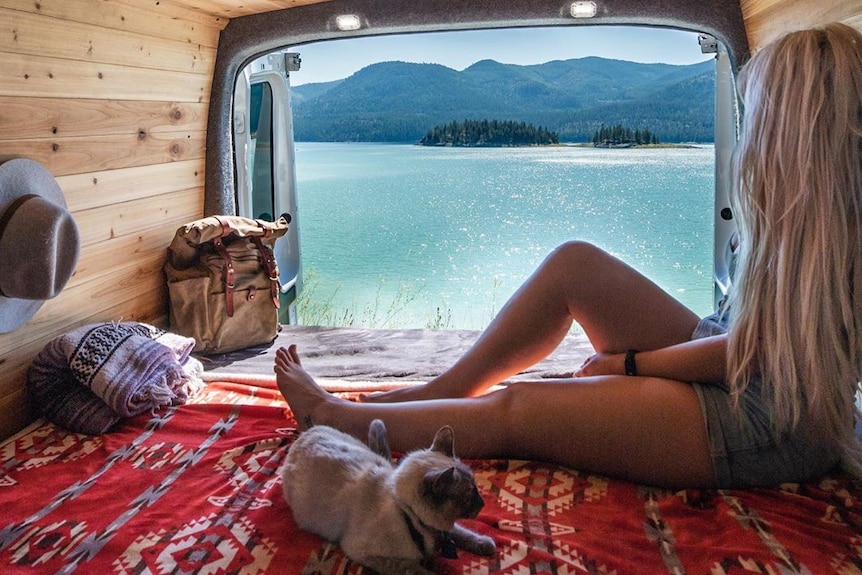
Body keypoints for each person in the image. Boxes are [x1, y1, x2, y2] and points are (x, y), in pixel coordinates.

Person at [275, 22, 862, 489]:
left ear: (790, 135)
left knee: (525, 407)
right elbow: (742, 342)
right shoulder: (802, 217)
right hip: (736, 362)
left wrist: (631, 366)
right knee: (573, 264)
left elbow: (752, 356)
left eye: (753, 117)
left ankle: (337, 421)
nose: (747, 132)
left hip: (769, 418)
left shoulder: (834, 241)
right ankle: (447, 386)